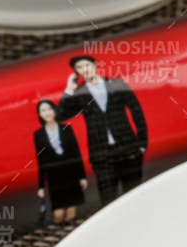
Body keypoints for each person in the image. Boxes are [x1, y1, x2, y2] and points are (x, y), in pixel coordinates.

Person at [56, 53, 148, 205]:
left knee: (135, 198)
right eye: (79, 67)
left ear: (94, 65)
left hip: (128, 149)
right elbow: (60, 116)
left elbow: (136, 110)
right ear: (76, 72)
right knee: (108, 201)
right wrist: (68, 90)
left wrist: (142, 142)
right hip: (102, 155)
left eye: (87, 65)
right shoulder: (78, 93)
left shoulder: (116, 84)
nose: (84, 69)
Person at [34, 99, 88, 223]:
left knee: (71, 213)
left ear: (54, 110)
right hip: (55, 178)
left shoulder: (66, 129)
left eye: (49, 109)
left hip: (71, 175)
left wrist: (82, 176)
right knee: (58, 215)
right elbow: (41, 161)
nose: (47, 113)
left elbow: (76, 153)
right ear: (40, 114)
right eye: (43, 110)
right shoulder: (38, 135)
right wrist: (41, 186)